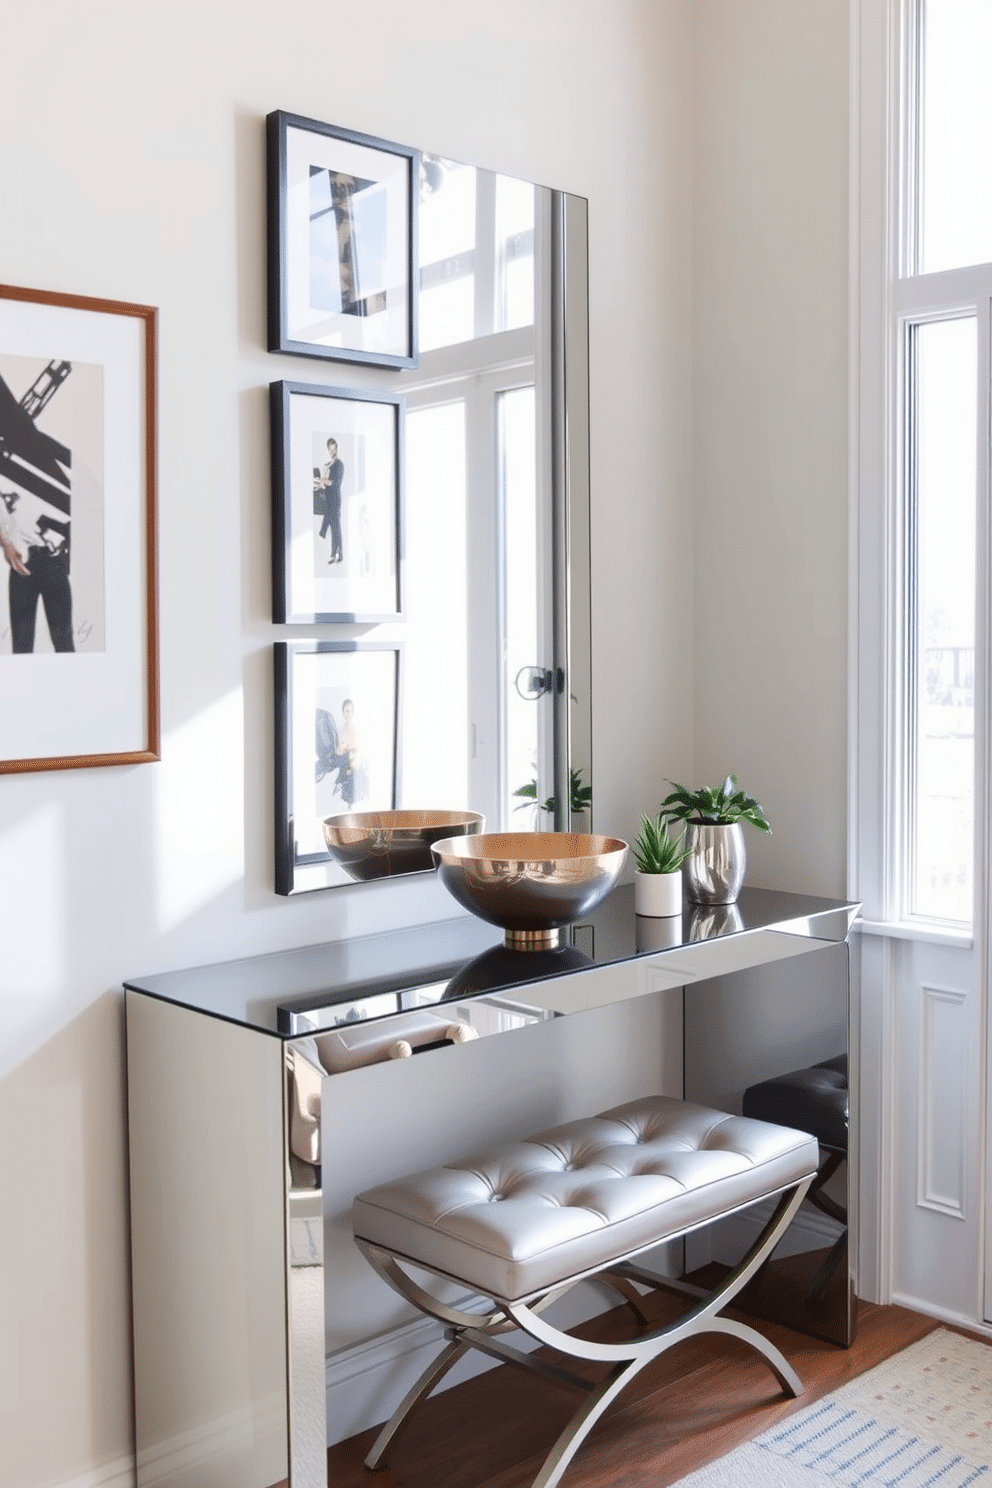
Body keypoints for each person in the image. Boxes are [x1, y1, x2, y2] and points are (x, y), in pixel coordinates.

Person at [0, 488, 74, 653]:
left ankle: (69, 679)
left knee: (64, 643)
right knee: (21, 645)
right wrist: (6, 544)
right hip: (23, 562)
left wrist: (68, 553)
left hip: (55, 561)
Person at [316, 437, 345, 563]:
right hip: (329, 499)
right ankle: (335, 554)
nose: (332, 452)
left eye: (334, 449)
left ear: (337, 449)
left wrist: (325, 482)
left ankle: (338, 553)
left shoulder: (339, 464)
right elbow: (327, 481)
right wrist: (323, 483)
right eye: (330, 450)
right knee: (334, 527)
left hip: (335, 500)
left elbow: (336, 483)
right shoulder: (330, 465)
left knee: (336, 528)